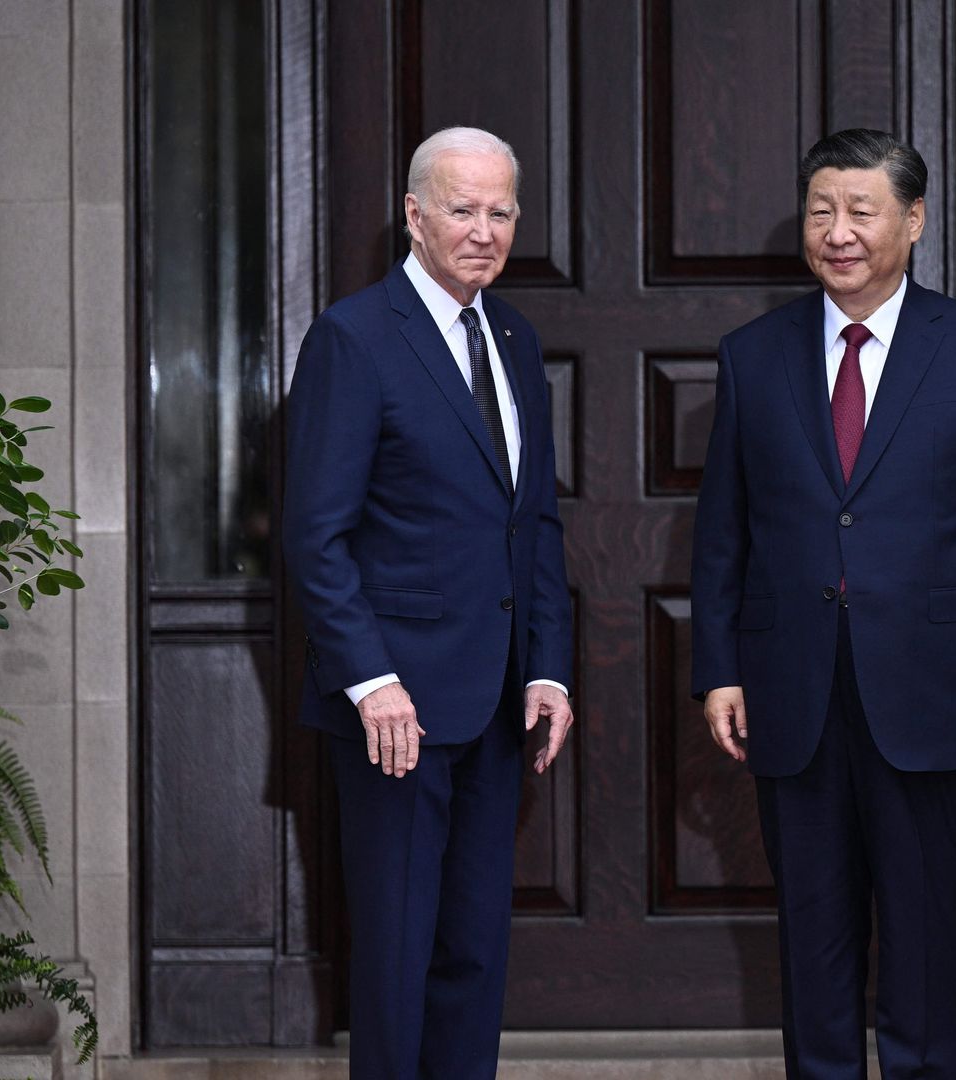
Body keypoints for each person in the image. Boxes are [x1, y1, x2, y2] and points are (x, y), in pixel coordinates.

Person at [690, 127, 956, 1078]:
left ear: (915, 221)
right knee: (811, 946)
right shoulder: (752, 356)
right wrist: (720, 669)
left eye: (862, 211)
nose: (839, 232)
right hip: (794, 693)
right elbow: (723, 534)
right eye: (822, 210)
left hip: (939, 693)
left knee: (930, 943)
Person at [282, 125, 575, 1079]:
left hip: (496, 704)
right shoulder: (353, 337)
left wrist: (549, 669)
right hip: (394, 713)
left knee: (473, 954)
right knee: (398, 958)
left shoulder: (517, 340)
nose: (484, 231)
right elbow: (315, 534)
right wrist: (371, 682)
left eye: (501, 212)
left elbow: (532, 523)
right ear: (414, 215)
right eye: (462, 209)